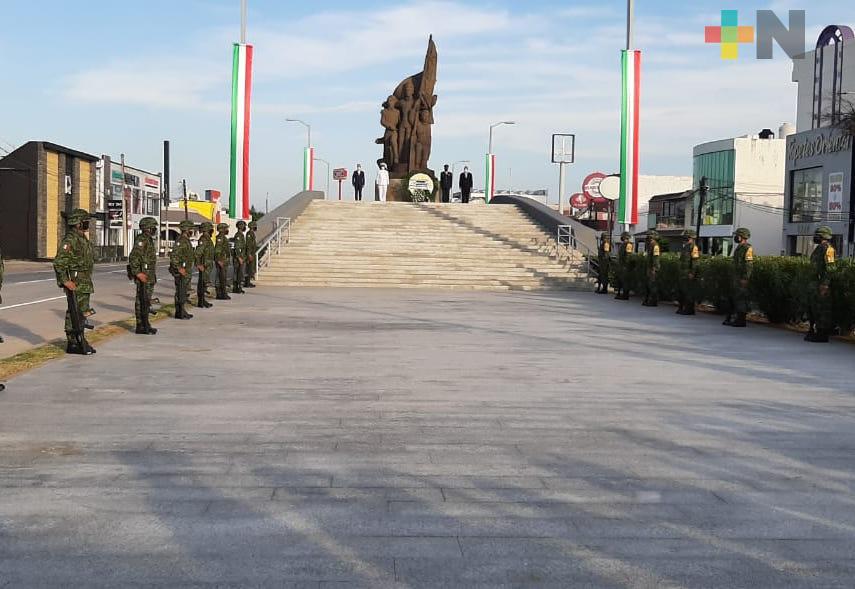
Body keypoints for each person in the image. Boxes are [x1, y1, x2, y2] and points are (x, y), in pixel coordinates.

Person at [53, 208, 96, 355]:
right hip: (76, 282)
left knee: (81, 312)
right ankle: (73, 342)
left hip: (84, 281)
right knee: (74, 312)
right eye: (85, 222)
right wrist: (65, 281)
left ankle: (79, 339)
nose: (87, 224)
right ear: (78, 223)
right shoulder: (70, 240)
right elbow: (59, 262)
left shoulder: (81, 238)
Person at [128, 217, 159, 334]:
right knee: (141, 300)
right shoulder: (142, 240)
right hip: (143, 275)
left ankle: (146, 323)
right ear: (148, 228)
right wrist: (138, 273)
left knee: (146, 300)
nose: (155, 229)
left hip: (149, 276)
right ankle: (141, 325)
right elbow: (134, 257)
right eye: (153, 227)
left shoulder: (148, 239)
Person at [806, 225, 835, 342]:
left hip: (822, 285)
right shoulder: (819, 248)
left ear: (823, 236)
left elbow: (830, 267)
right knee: (815, 309)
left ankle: (822, 335)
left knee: (822, 309)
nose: (815, 237)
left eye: (817, 235)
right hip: (815, 283)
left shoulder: (828, 249)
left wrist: (825, 284)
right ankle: (816, 331)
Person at [723, 227, 753, 327]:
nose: (736, 237)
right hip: (736, 277)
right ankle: (733, 318)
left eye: (737, 235)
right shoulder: (739, 247)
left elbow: (748, 264)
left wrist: (745, 278)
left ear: (741, 237)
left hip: (741, 278)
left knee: (741, 299)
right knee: (734, 298)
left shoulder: (747, 248)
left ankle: (741, 321)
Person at [169, 220, 195, 320]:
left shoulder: (186, 240)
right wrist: (179, 268)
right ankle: (179, 312)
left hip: (186, 270)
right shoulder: (180, 241)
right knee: (180, 291)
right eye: (190, 229)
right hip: (181, 271)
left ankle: (182, 310)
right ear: (186, 229)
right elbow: (174, 256)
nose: (191, 231)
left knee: (183, 291)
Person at [677, 229, 701, 315]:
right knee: (683, 291)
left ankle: (689, 309)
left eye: (687, 236)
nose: (685, 237)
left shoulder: (693, 247)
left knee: (689, 292)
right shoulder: (686, 246)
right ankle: (684, 307)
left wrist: (692, 273)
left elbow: (695, 261)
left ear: (691, 237)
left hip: (688, 273)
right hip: (683, 273)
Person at [195, 221, 215, 309]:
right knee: (202, 283)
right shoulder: (203, 239)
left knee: (204, 283)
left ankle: (203, 301)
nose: (212, 230)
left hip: (207, 265)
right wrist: (198, 264)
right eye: (211, 229)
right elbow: (198, 253)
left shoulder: (207, 239)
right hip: (204, 265)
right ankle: (201, 301)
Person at [641, 230, 661, 307]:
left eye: (649, 236)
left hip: (653, 268)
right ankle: (649, 299)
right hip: (649, 268)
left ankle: (653, 301)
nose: (648, 237)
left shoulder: (655, 245)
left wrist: (654, 268)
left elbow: (655, 258)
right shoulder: (650, 245)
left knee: (653, 285)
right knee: (649, 284)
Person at [214, 223, 232, 300]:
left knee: (222, 278)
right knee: (221, 278)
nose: (227, 230)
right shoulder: (220, 238)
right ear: (223, 229)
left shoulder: (223, 237)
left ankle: (221, 293)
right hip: (221, 261)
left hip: (223, 260)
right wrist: (219, 260)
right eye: (226, 228)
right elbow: (217, 250)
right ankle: (222, 294)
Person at [614, 231, 634, 300]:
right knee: (621, 280)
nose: (621, 238)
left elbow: (628, 256)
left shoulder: (628, 244)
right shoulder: (623, 244)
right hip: (621, 265)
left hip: (625, 266)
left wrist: (626, 265)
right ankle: (622, 293)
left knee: (625, 280)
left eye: (622, 236)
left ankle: (625, 295)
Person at [232, 220, 247, 294]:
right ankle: (237, 288)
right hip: (239, 258)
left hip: (241, 257)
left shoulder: (241, 235)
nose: (245, 227)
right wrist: (239, 257)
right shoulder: (238, 235)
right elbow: (237, 247)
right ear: (241, 226)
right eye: (244, 226)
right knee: (238, 273)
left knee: (239, 273)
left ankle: (238, 288)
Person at [244, 220, 258, 288]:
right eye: (255, 226)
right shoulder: (249, 233)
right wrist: (249, 254)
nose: (256, 227)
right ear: (252, 227)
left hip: (252, 253)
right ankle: (247, 283)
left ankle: (248, 282)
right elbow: (248, 244)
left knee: (251, 268)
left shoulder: (252, 233)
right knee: (249, 268)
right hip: (250, 254)